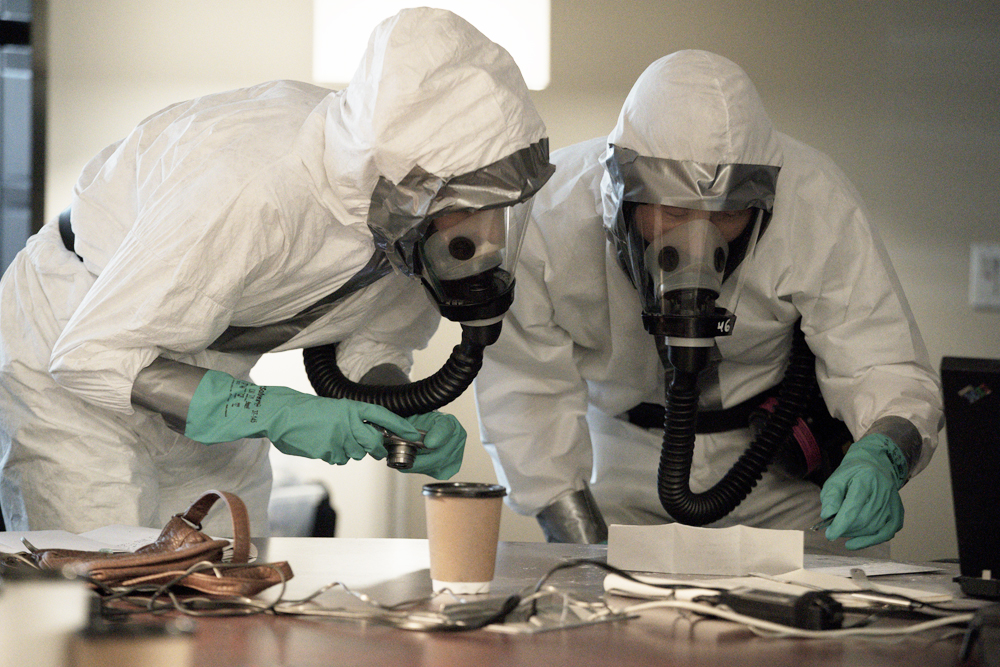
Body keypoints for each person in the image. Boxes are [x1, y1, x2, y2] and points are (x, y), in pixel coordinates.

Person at [0, 8, 553, 534]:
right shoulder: (246, 182)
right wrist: (277, 411)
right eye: (471, 206)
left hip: (212, 362)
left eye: (500, 208)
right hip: (73, 334)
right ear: (406, 179)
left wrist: (397, 411)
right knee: (96, 577)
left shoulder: (408, 224)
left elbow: (365, 350)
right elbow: (88, 356)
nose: (484, 237)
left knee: (223, 569)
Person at [474, 50, 942, 553]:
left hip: (773, 461)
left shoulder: (814, 199)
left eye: (727, 215)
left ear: (760, 202)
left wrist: (883, 451)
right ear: (622, 193)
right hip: (622, 457)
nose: (699, 241)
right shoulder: (550, 213)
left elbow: (880, 357)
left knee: (839, 608)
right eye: (674, 211)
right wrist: (576, 536)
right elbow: (525, 388)